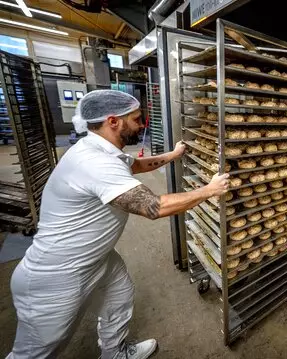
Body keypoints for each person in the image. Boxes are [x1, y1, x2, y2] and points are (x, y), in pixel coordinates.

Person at [7, 90, 229, 359]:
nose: (142, 124)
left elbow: (134, 166)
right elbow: (154, 207)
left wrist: (173, 154)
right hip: (57, 273)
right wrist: (209, 190)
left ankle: (115, 353)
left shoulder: (101, 147)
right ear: (114, 121)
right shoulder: (94, 162)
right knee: (39, 349)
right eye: (136, 119)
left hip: (96, 257)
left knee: (119, 297)